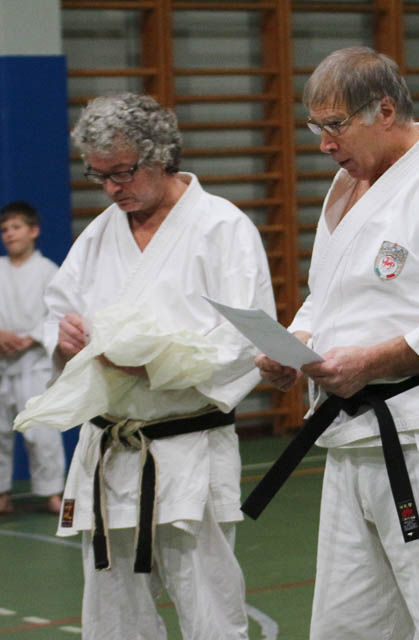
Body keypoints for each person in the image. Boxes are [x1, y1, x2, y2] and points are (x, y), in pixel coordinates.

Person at [251, 47, 419, 639]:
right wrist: (296, 343)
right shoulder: (347, 185)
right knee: (346, 628)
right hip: (350, 441)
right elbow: (330, 296)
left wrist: (373, 361)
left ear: (386, 110)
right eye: (315, 128)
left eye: (335, 126)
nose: (325, 144)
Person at [43, 93, 274, 639]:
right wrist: (65, 342)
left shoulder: (222, 227)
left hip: (188, 445)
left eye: (121, 172)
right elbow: (57, 320)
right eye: (98, 176)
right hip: (109, 450)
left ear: (160, 155)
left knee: (210, 610)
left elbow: (247, 336)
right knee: (112, 617)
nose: (110, 188)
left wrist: (157, 368)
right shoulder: (100, 234)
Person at [0, 201, 64, 515]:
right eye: (4, 230)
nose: (9, 234)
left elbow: (58, 312)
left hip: (34, 362)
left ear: (34, 231)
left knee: (41, 431)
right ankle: (2, 494)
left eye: (16, 227)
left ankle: (52, 492)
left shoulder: (48, 270)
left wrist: (31, 337)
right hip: (1, 361)